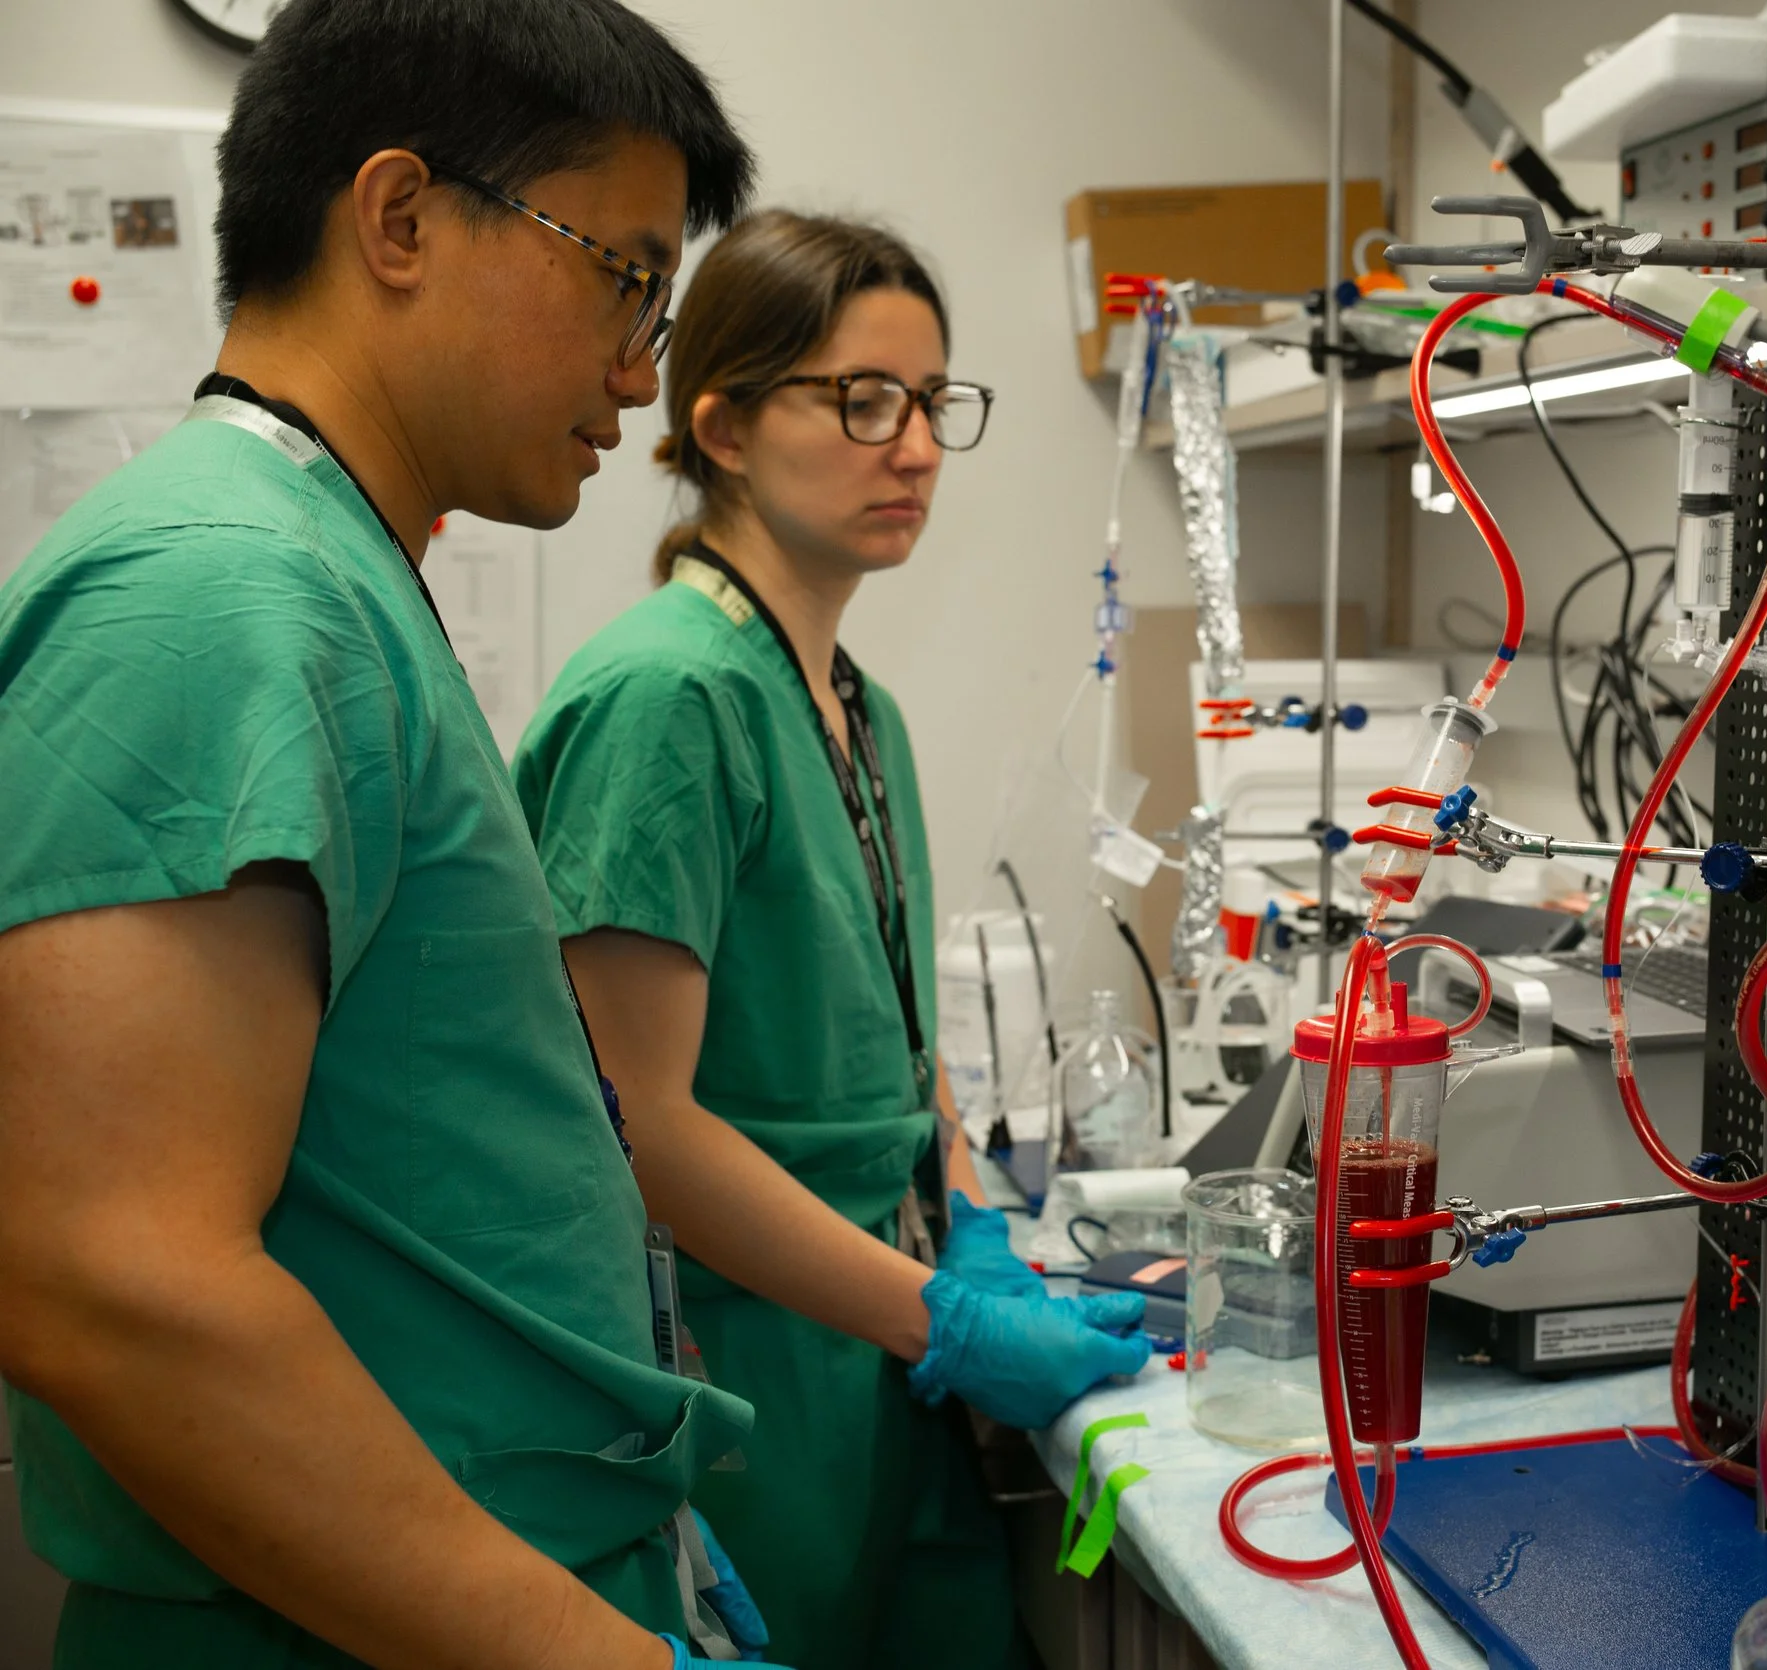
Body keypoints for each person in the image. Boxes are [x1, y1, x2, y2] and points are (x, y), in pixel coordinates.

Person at [0, 2, 784, 1665]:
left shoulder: (335, 571)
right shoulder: (218, 591)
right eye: (625, 277)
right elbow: (111, 1283)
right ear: (402, 218)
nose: (643, 376)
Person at [510, 212, 1148, 1669]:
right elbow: (641, 1129)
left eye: (933, 402)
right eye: (864, 399)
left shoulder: (858, 707)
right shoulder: (669, 699)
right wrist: (944, 1316)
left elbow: (892, 1036)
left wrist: (972, 1216)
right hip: (739, 1371)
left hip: (874, 1344)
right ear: (723, 424)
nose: (914, 445)